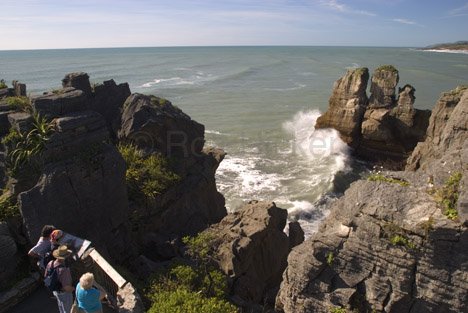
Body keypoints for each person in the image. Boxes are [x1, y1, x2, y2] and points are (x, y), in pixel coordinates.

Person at [45, 245, 74, 313]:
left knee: (61, 306)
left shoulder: (50, 263)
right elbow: (66, 288)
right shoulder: (64, 270)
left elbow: (46, 276)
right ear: (65, 257)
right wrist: (74, 288)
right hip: (64, 293)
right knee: (68, 310)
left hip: (55, 291)